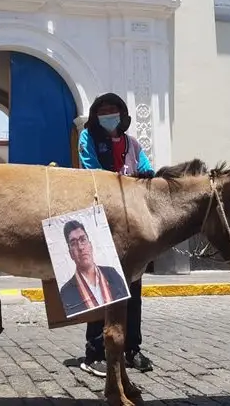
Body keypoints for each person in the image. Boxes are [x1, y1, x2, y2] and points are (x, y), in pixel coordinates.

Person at [77, 92, 154, 377]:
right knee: (101, 290)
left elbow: (145, 168)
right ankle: (94, 352)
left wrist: (146, 175)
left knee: (133, 293)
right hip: (100, 220)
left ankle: (132, 348)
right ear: (96, 115)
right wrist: (122, 182)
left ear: (122, 115)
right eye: (103, 110)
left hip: (130, 225)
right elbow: (90, 170)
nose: (109, 114)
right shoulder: (87, 139)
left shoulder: (132, 143)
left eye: (114, 109)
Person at [59, 219, 130, 315]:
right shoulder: (66, 292)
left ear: (90, 245)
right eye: (74, 243)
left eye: (83, 240)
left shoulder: (113, 274)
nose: (80, 247)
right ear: (71, 253)